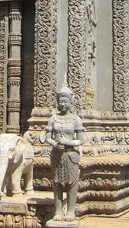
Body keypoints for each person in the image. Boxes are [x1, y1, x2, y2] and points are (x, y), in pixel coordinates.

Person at [46, 83, 84, 222]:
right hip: (57, 154)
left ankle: (71, 210)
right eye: (60, 101)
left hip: (70, 155)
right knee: (57, 182)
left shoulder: (76, 120)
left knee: (71, 183)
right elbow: (47, 138)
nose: (62, 104)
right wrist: (55, 144)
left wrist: (68, 143)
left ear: (71, 102)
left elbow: (80, 140)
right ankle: (58, 210)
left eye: (65, 101)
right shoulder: (53, 119)